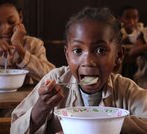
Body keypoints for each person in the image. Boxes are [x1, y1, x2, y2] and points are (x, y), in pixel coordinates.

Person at [10, 7, 147, 134]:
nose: (88, 61)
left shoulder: (126, 89)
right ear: (67, 54)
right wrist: (42, 106)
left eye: (100, 50)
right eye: (77, 50)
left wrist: (107, 125)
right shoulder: (56, 80)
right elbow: (15, 130)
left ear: (118, 56)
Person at [119, 5, 147, 88]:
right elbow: (132, 52)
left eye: (135, 18)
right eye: (127, 17)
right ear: (120, 18)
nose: (131, 21)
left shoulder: (140, 29)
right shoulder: (119, 30)